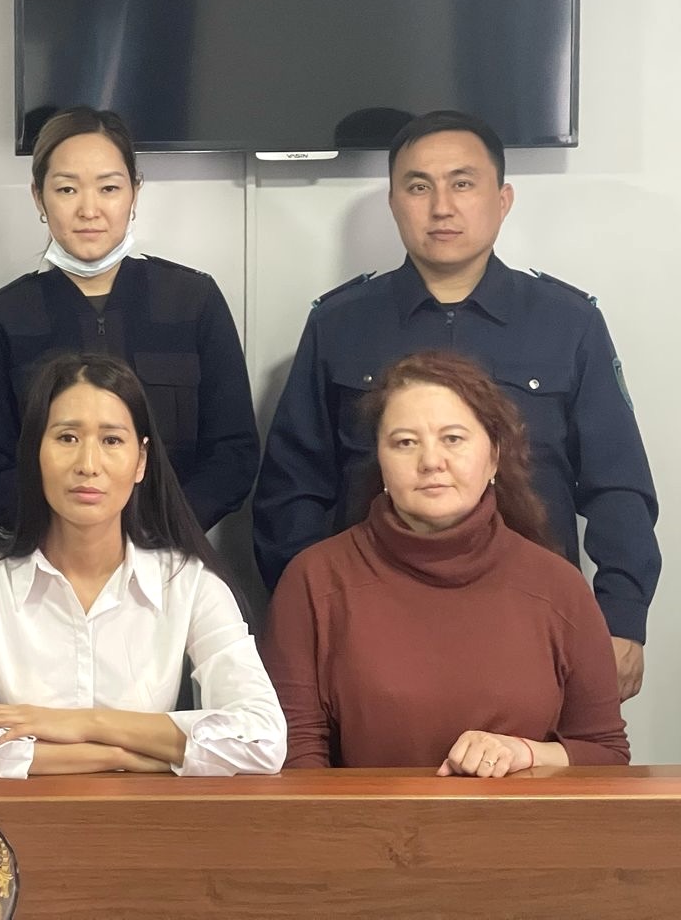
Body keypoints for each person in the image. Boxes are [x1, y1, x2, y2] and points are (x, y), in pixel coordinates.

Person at [252, 110, 658, 700]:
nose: (441, 206)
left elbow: (618, 485)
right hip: (370, 634)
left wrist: (622, 616)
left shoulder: (568, 323)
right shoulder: (340, 324)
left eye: (462, 183)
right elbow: (291, 489)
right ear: (394, 202)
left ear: (503, 199)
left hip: (533, 626)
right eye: (419, 187)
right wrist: (310, 617)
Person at [0, 352, 284, 778]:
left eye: (111, 441)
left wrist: (86, 723)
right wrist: (119, 756)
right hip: (22, 814)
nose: (88, 465)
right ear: (35, 452)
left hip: (144, 817)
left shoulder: (185, 577)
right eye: (67, 438)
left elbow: (264, 740)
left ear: (141, 460)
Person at [262, 351, 630, 773]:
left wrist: (526, 754)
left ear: (494, 456)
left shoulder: (558, 586)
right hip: (367, 817)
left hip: (522, 817)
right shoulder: (314, 580)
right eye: (405, 442)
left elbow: (606, 753)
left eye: (453, 439)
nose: (431, 462)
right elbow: (295, 756)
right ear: (380, 460)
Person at [0, 106, 258, 531]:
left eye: (109, 188)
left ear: (134, 193)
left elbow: (233, 452)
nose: (89, 209)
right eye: (67, 189)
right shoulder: (1, 317)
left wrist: (161, 532)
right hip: (42, 550)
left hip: (171, 545)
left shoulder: (193, 300)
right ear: (39, 197)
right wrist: (67, 537)